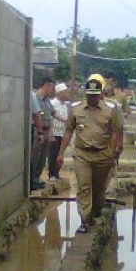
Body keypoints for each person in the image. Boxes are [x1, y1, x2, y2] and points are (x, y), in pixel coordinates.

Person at [57, 74, 122, 234]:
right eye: (89, 95)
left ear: (100, 94)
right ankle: (85, 220)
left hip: (103, 155)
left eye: (95, 95)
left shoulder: (111, 109)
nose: (92, 97)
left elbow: (116, 131)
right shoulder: (76, 108)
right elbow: (68, 131)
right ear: (85, 93)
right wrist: (60, 153)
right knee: (84, 186)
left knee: (99, 188)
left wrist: (113, 153)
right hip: (82, 154)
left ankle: (96, 208)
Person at [31, 77, 67, 191]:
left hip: (46, 131)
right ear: (45, 86)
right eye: (51, 87)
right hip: (37, 131)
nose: (52, 90)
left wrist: (67, 121)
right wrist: (41, 132)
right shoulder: (35, 98)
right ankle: (31, 180)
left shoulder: (47, 100)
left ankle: (36, 179)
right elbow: (35, 116)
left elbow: (53, 114)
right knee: (35, 157)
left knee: (42, 158)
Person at [48, 83, 69, 181]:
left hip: (62, 133)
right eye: (65, 92)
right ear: (60, 93)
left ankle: (56, 173)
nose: (67, 94)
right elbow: (50, 119)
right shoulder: (52, 104)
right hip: (55, 133)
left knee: (60, 154)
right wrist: (51, 133)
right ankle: (52, 174)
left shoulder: (65, 104)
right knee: (53, 154)